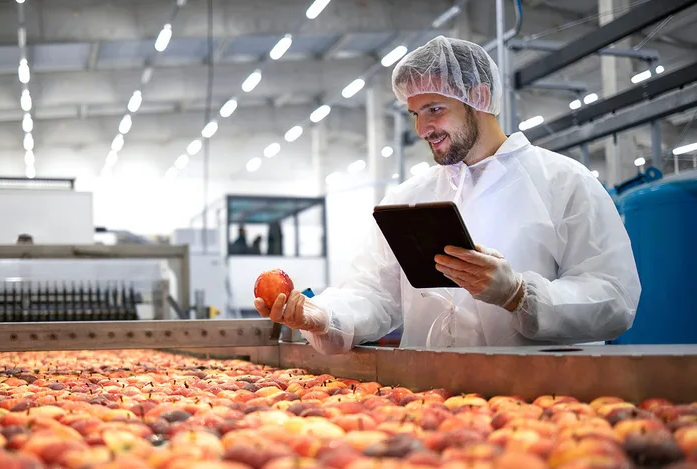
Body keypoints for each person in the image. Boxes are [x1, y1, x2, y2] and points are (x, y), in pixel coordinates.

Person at [255, 36, 641, 354]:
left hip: (542, 402)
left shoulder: (564, 183)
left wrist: (520, 294)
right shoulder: (408, 199)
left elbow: (614, 299)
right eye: (415, 114)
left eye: (435, 109)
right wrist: (323, 316)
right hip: (432, 400)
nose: (423, 128)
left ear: (480, 96)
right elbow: (373, 292)